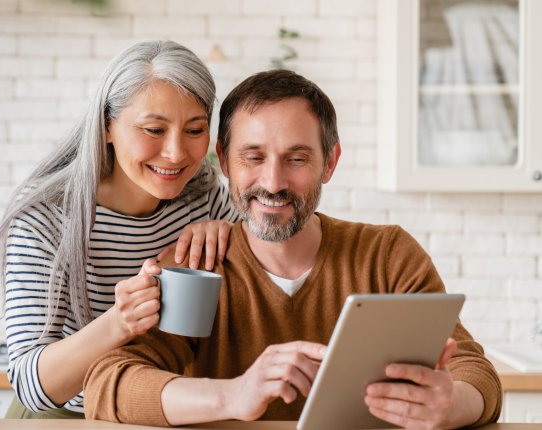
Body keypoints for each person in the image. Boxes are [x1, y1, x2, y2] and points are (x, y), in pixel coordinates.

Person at [84, 69, 502, 428]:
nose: (273, 182)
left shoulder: (386, 255)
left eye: (296, 159)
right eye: (253, 157)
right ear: (225, 163)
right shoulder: (196, 264)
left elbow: (476, 373)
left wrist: (449, 404)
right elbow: (108, 385)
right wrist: (234, 394)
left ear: (330, 163)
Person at [0, 40, 239, 418]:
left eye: (194, 130)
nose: (176, 153)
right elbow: (31, 385)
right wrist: (119, 322)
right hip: (67, 415)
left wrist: (231, 235)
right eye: (153, 129)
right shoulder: (48, 216)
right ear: (106, 127)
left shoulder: (204, 197)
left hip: (159, 410)